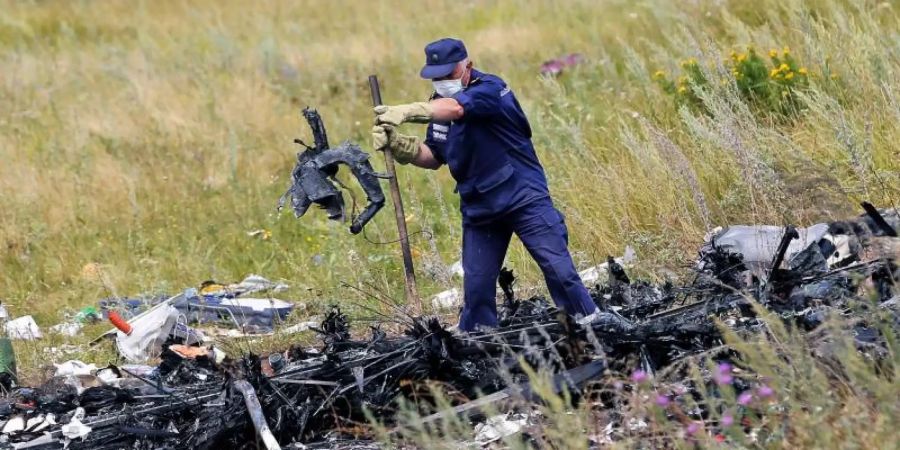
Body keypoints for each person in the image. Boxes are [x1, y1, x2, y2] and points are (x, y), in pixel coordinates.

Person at [371, 37, 600, 332]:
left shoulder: (491, 89)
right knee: (477, 285)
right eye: (436, 77)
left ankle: (590, 326)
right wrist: (403, 147)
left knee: (559, 270)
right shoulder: (437, 106)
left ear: (468, 66)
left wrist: (407, 111)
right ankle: (480, 341)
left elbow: (456, 109)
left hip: (522, 195)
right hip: (479, 205)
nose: (443, 82)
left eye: (449, 74)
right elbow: (435, 156)